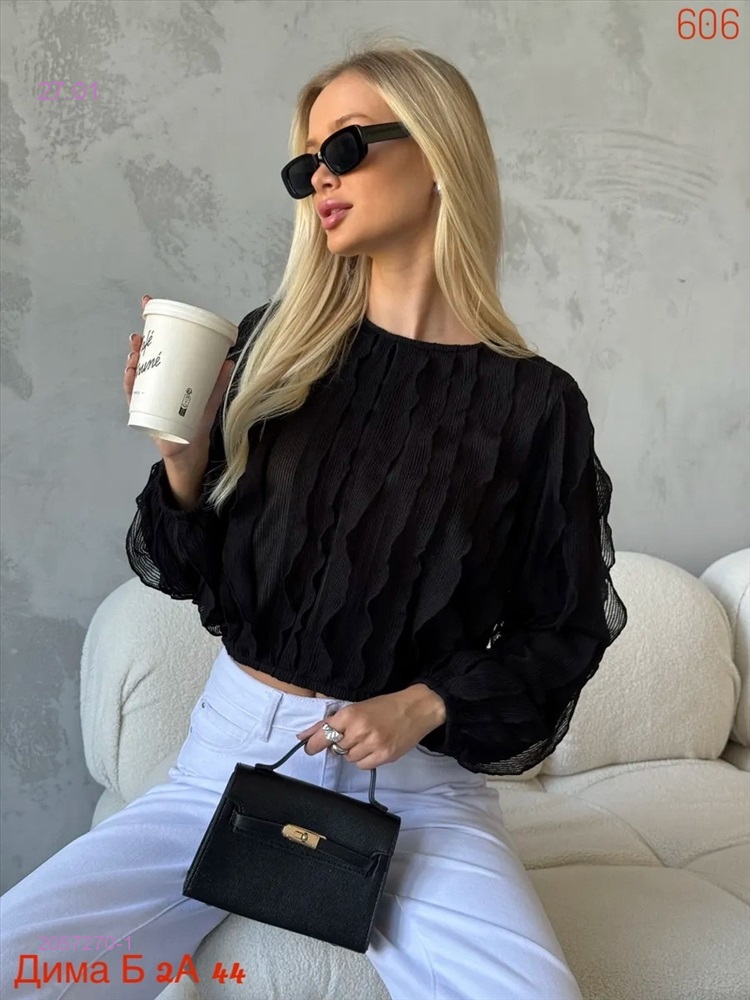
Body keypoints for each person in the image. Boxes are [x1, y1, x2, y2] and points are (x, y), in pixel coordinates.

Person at [0, 38, 627, 1000]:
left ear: (438, 151)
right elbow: (191, 569)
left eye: (345, 147)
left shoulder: (537, 407)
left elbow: (566, 627)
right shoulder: (276, 348)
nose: (320, 178)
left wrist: (427, 703)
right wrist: (184, 459)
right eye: (306, 164)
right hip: (233, 763)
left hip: (417, 792)